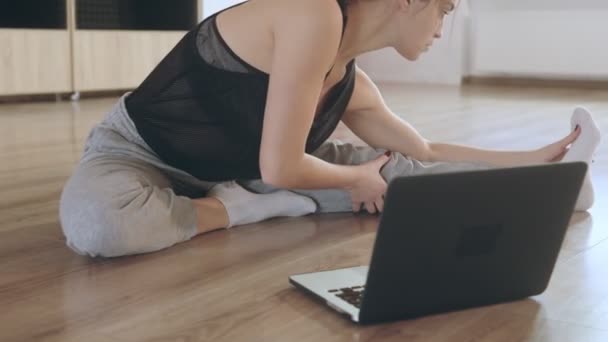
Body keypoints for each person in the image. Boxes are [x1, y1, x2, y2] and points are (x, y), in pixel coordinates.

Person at [59, 0, 602, 258]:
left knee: (561, 192)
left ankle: (561, 184)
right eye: (444, 10)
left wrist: (542, 159)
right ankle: (242, 207)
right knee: (99, 227)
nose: (443, 28)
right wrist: (351, 182)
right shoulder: (309, 12)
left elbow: (427, 150)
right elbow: (281, 166)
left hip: (256, 167)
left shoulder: (352, 84)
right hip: (142, 153)